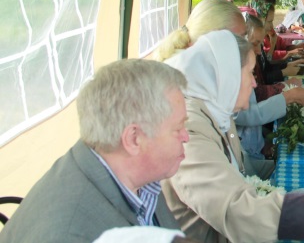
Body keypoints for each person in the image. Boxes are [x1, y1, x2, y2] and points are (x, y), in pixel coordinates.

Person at [162, 30, 304, 243]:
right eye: (249, 73)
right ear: (226, 76)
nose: (255, 83)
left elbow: (243, 171)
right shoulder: (188, 132)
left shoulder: (218, 111)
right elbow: (238, 212)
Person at [0, 60, 189, 243]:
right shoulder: (69, 234)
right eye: (178, 128)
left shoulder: (138, 176)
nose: (186, 136)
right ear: (133, 139)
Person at [236, 14, 304, 178]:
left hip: (254, 149)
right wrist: (287, 96)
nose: (259, 50)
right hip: (247, 158)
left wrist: (267, 139)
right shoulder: (233, 72)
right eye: (255, 44)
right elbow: (248, 115)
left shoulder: (244, 62)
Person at [153, 0, 245, 62]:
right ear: (212, 37)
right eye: (238, 41)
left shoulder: (191, 62)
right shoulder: (191, 75)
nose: (246, 47)